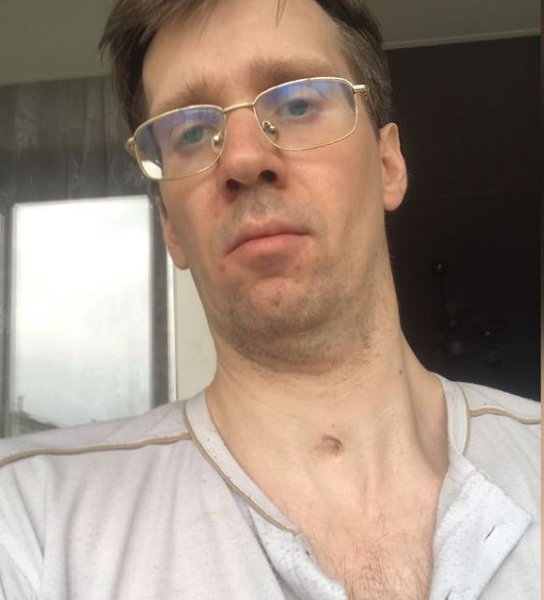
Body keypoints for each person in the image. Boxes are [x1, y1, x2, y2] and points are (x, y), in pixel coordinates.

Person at [0, 0, 540, 598]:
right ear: (171, 228)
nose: (242, 158)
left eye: (299, 102)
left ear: (388, 164)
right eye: (190, 131)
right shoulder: (28, 521)